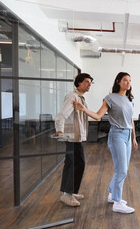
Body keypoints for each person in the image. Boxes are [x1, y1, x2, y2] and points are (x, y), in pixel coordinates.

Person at [73, 72, 138, 214]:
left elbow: (131, 120)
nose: (128, 83)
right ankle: (117, 202)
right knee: (122, 170)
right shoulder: (110, 98)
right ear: (118, 82)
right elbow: (97, 116)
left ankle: (111, 193)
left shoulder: (129, 99)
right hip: (117, 136)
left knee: (123, 168)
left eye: (130, 80)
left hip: (127, 135)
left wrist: (134, 138)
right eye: (125, 80)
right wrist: (83, 109)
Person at [54, 73, 93, 206]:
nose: (89, 85)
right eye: (87, 82)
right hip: (71, 137)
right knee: (77, 163)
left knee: (72, 164)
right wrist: (59, 130)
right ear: (79, 83)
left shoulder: (80, 97)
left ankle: (70, 191)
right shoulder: (72, 96)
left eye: (90, 82)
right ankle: (67, 194)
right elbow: (61, 115)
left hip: (76, 136)